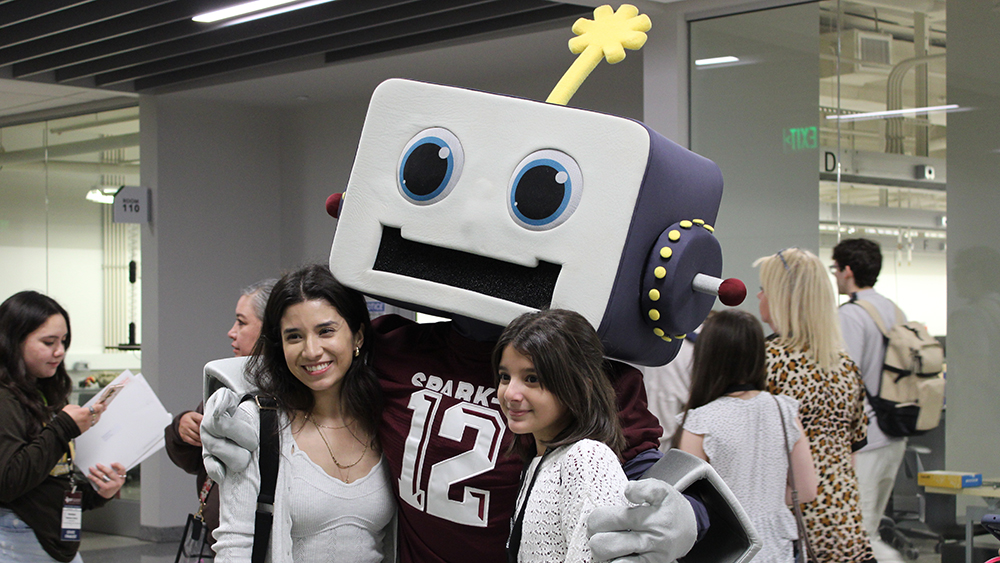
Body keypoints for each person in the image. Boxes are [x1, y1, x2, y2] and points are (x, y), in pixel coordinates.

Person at [212, 265, 396, 562]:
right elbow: (235, 543)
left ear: (358, 336)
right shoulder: (257, 422)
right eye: (294, 337)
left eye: (326, 331)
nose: (311, 351)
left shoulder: (386, 419)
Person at [755, 248, 874, 563]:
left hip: (791, 519)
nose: (758, 296)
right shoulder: (845, 365)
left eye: (764, 289)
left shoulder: (768, 360)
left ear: (782, 297)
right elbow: (851, 450)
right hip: (843, 517)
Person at [675, 309, 817, 563]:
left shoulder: (700, 422)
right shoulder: (785, 411)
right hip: (779, 549)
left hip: (727, 550)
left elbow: (687, 503)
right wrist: (766, 497)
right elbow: (806, 490)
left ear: (708, 356)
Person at [0, 291, 127, 563]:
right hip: (16, 538)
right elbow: (9, 481)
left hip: (48, 540)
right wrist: (63, 428)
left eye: (63, 341)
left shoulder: (42, 391)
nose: (59, 351)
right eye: (48, 342)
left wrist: (96, 492)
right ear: (14, 341)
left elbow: (48, 479)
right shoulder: (5, 398)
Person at [493, 309, 628, 562]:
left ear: (580, 386)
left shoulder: (587, 459)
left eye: (531, 378)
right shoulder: (542, 461)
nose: (510, 393)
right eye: (504, 377)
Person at [164, 278, 276, 546]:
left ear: (271, 328)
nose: (231, 332)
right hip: (219, 542)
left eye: (241, 322)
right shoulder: (224, 384)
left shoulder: (295, 396)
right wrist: (181, 429)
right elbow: (195, 462)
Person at [831, 238, 909, 561]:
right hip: (895, 431)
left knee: (856, 534)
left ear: (848, 271)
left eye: (835, 269)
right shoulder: (893, 309)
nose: (835, 276)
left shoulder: (850, 314)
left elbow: (846, 377)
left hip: (868, 439)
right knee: (870, 529)